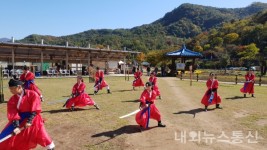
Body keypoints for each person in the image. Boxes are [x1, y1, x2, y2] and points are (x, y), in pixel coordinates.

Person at [0, 79, 55, 150]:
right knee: (6, 135)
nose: (10, 91)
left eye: (12, 89)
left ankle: (50, 147)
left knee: (41, 135)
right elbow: (13, 113)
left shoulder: (32, 94)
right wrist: (16, 126)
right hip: (20, 119)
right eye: (10, 89)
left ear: (19, 87)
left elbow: (35, 108)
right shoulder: (12, 99)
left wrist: (29, 121)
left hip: (34, 118)